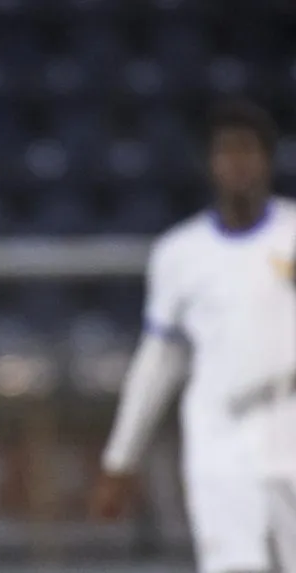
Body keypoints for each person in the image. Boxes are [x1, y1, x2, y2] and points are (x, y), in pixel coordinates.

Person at [92, 99, 296, 573]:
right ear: (210, 163)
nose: (238, 162)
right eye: (226, 151)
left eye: (248, 150)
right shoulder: (180, 254)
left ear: (268, 159)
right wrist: (120, 459)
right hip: (220, 433)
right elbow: (159, 360)